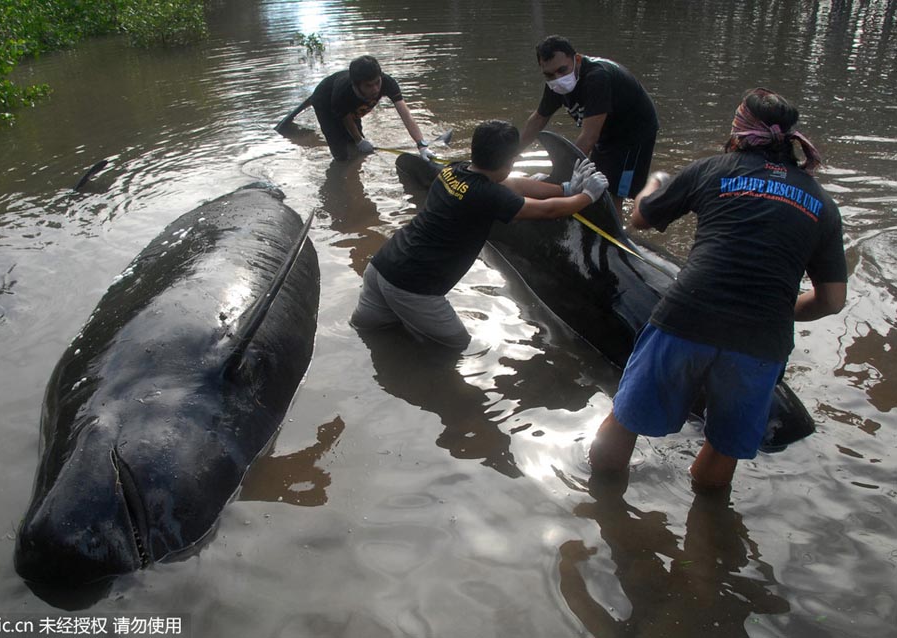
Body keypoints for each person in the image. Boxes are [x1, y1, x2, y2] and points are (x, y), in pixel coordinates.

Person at [587, 88, 848, 491]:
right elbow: (832, 300)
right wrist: (780, 309)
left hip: (686, 318)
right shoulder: (822, 204)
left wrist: (655, 183)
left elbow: (640, 219)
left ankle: (601, 503)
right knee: (724, 448)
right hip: (761, 340)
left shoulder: (714, 169)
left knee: (625, 421)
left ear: (740, 132)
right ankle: (707, 525)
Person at [350, 119, 609, 350]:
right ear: (510, 161)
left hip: (382, 266)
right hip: (413, 287)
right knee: (456, 346)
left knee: (366, 333)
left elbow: (515, 184)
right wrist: (587, 196)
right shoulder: (489, 195)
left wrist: (565, 189)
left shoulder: (455, 170)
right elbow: (547, 211)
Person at [520, 35, 658, 213]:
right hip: (605, 132)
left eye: (562, 70)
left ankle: (619, 226)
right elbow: (538, 119)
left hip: (632, 134)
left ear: (577, 60)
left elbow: (589, 137)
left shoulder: (597, 78)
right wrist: (509, 155)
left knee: (614, 191)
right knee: (595, 181)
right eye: (549, 74)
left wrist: (563, 177)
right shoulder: (556, 84)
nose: (557, 77)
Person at [282, 55, 435, 162]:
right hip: (325, 102)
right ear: (356, 85)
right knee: (341, 154)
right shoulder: (343, 92)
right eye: (369, 85)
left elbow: (405, 114)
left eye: (377, 82)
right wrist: (359, 140)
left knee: (358, 151)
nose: (375, 89)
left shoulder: (387, 82)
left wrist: (421, 144)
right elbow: (346, 118)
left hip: (353, 106)